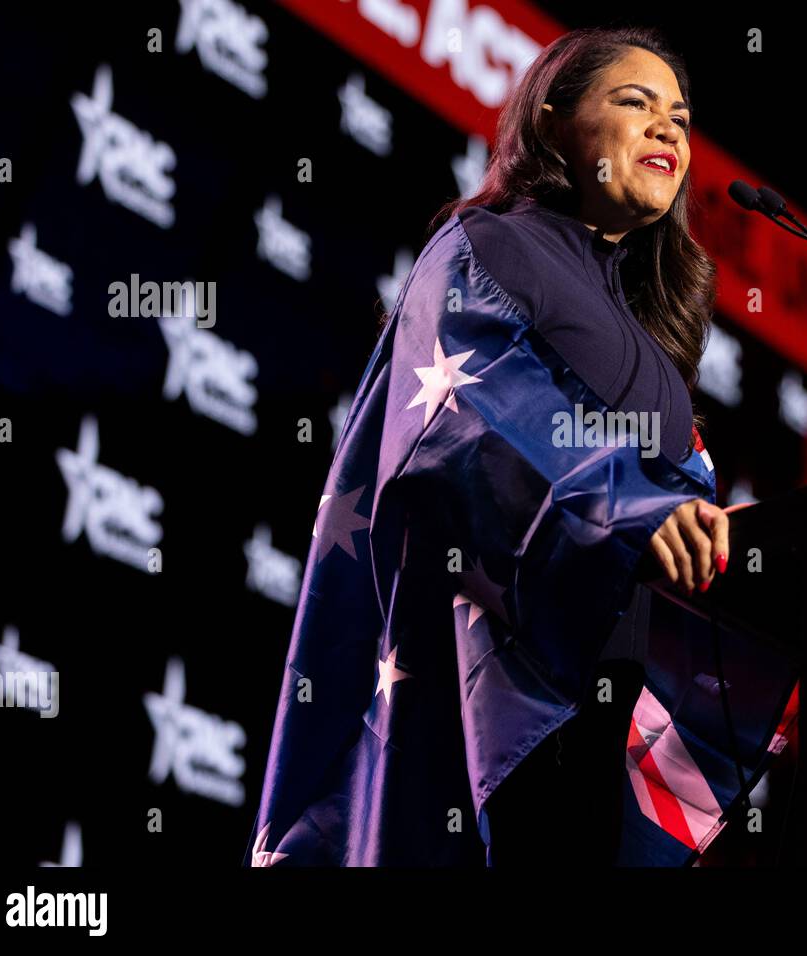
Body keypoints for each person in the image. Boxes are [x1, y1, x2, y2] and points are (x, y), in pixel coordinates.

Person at [246, 26, 760, 868]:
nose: (668, 129)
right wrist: (626, 506)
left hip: (616, 722)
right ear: (554, 124)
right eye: (635, 104)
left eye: (680, 116)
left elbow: (679, 502)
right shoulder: (486, 247)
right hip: (507, 711)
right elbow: (473, 416)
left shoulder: (654, 344)